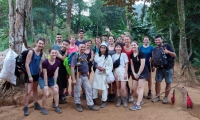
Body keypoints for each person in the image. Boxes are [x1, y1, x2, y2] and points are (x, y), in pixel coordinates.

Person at [71, 44, 99, 112]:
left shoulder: (85, 55)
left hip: (85, 76)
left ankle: (90, 104)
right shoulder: (76, 56)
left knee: (89, 89)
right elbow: (72, 67)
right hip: (78, 76)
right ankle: (78, 104)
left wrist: (88, 72)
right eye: (81, 47)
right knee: (77, 91)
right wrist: (74, 79)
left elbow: (86, 64)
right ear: (78, 48)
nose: (82, 48)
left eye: (84, 47)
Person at [23, 38, 45, 116]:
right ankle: (25, 107)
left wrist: (41, 72)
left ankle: (36, 104)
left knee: (35, 89)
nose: (41, 45)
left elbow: (39, 64)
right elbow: (26, 64)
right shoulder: (31, 52)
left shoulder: (41, 52)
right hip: (30, 74)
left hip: (36, 74)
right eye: (40, 43)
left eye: (42, 44)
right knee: (28, 91)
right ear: (36, 43)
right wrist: (29, 76)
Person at [151, 35, 176, 104]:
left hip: (168, 67)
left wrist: (168, 52)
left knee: (168, 82)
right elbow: (154, 58)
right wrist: (152, 63)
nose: (157, 41)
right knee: (157, 82)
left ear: (162, 40)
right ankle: (157, 96)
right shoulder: (155, 49)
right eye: (156, 40)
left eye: (158, 40)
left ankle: (165, 97)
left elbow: (174, 55)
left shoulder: (167, 46)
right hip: (159, 68)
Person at [39, 49, 62, 115]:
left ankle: (56, 106)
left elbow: (56, 73)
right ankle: (43, 108)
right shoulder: (45, 62)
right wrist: (46, 85)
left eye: (55, 53)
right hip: (43, 78)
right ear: (49, 54)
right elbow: (45, 74)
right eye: (52, 53)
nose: (54, 54)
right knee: (46, 93)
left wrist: (55, 83)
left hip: (51, 78)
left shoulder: (58, 62)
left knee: (56, 90)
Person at [129, 41, 149, 111]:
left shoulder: (141, 54)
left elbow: (142, 65)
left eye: (134, 45)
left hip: (143, 72)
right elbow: (131, 64)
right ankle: (140, 99)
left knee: (140, 87)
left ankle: (138, 105)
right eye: (132, 45)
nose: (133, 46)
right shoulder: (131, 54)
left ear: (137, 45)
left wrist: (138, 74)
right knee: (134, 88)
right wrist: (134, 73)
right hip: (135, 72)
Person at [92, 42, 113, 108]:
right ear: (100, 48)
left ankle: (104, 101)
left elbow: (110, 66)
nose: (102, 49)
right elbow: (94, 63)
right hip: (97, 74)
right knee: (95, 86)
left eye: (104, 48)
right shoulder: (97, 55)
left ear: (106, 49)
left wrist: (104, 69)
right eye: (101, 47)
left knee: (104, 87)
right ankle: (94, 99)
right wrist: (97, 67)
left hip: (104, 74)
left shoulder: (109, 57)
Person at [52, 40, 70, 106]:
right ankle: (54, 102)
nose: (64, 46)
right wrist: (67, 51)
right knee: (57, 87)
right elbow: (62, 58)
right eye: (64, 44)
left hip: (64, 72)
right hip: (57, 73)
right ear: (61, 44)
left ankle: (59, 99)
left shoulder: (68, 54)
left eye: (66, 45)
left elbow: (68, 65)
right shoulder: (57, 51)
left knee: (63, 87)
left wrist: (68, 74)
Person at [112, 43, 129, 107]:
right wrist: (114, 73)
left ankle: (125, 99)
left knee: (123, 87)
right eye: (117, 47)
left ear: (121, 48)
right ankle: (119, 99)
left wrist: (125, 73)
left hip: (123, 70)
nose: (118, 48)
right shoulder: (113, 56)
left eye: (119, 47)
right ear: (115, 48)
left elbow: (126, 64)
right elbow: (113, 66)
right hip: (116, 71)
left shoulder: (124, 54)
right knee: (118, 86)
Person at [122, 35, 133, 103]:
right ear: (123, 41)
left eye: (127, 39)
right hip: (125, 66)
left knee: (135, 80)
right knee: (125, 80)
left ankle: (132, 94)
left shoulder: (133, 47)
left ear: (130, 40)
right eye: (125, 40)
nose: (126, 41)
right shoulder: (122, 48)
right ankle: (128, 93)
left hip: (133, 66)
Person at [107, 35, 116, 102]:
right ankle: (109, 94)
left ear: (114, 40)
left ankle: (114, 95)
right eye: (109, 39)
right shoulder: (107, 48)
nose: (111, 40)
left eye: (112, 39)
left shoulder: (116, 47)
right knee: (109, 81)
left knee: (114, 82)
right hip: (108, 67)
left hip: (115, 67)